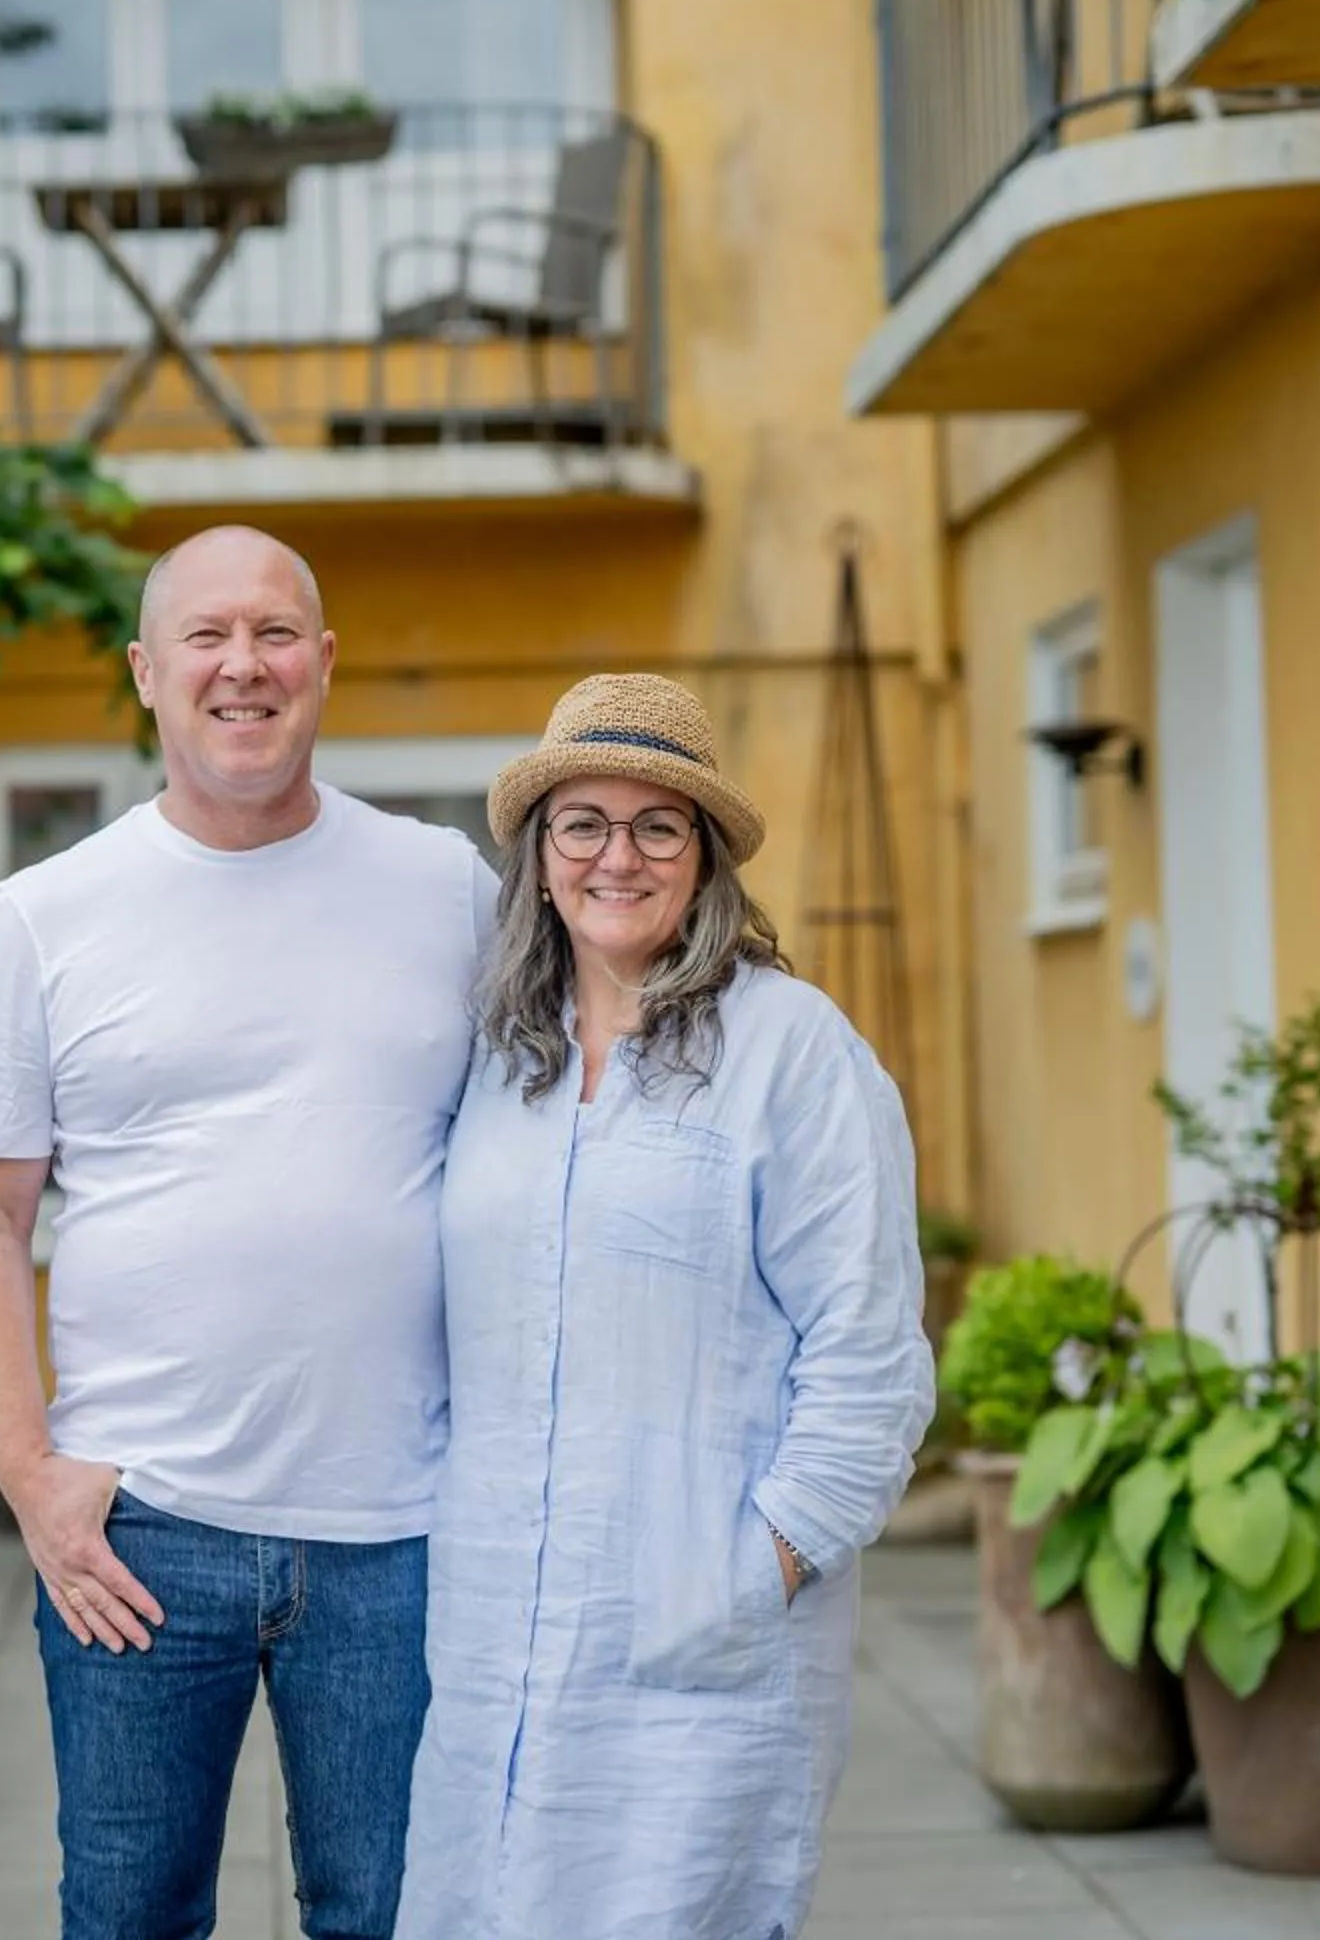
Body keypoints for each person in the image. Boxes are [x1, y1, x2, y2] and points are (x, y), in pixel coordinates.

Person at [0, 525, 497, 1940]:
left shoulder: (447, 888)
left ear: (324, 661)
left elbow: (549, 1141)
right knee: (129, 1917)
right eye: (207, 635)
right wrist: (31, 1477)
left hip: (400, 1527)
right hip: (139, 1532)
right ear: (146, 671)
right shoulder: (49, 914)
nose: (243, 664)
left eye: (274, 632)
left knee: (398, 1916)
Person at [394, 672, 935, 1940]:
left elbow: (869, 1357)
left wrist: (754, 1570)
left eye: (658, 825)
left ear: (705, 858)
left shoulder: (791, 1050)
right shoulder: (499, 1062)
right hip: (489, 1640)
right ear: (539, 858)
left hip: (704, 1649)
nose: (617, 855)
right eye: (582, 822)